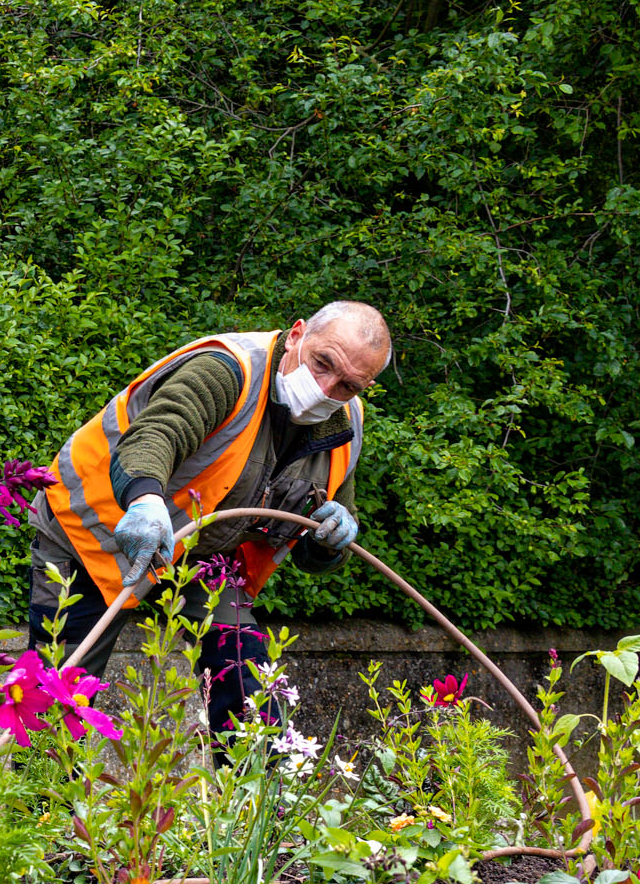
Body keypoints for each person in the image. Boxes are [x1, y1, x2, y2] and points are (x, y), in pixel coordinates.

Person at [29, 302, 391, 735]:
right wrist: (145, 500)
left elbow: (318, 545)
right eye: (322, 363)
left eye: (347, 385)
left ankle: (261, 799)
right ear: (297, 335)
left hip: (204, 557)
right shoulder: (228, 369)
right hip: (96, 531)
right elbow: (155, 436)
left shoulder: (344, 423)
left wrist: (330, 541)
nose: (325, 388)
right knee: (60, 694)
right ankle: (41, 803)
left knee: (249, 687)